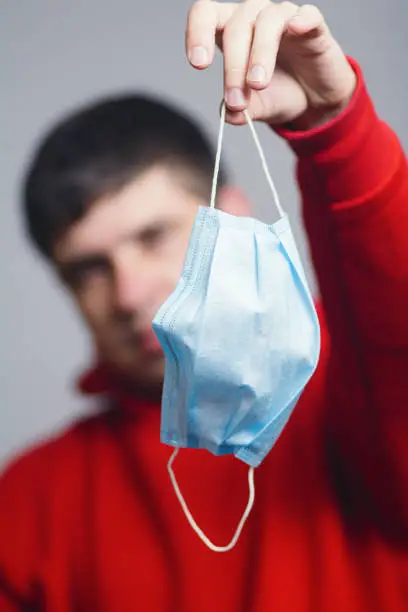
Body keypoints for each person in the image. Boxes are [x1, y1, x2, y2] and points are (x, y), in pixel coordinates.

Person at [1, 1, 407, 610]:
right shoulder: (28, 504)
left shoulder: (356, 401)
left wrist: (336, 130)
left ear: (234, 213)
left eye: (155, 236)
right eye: (89, 269)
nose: (130, 293)